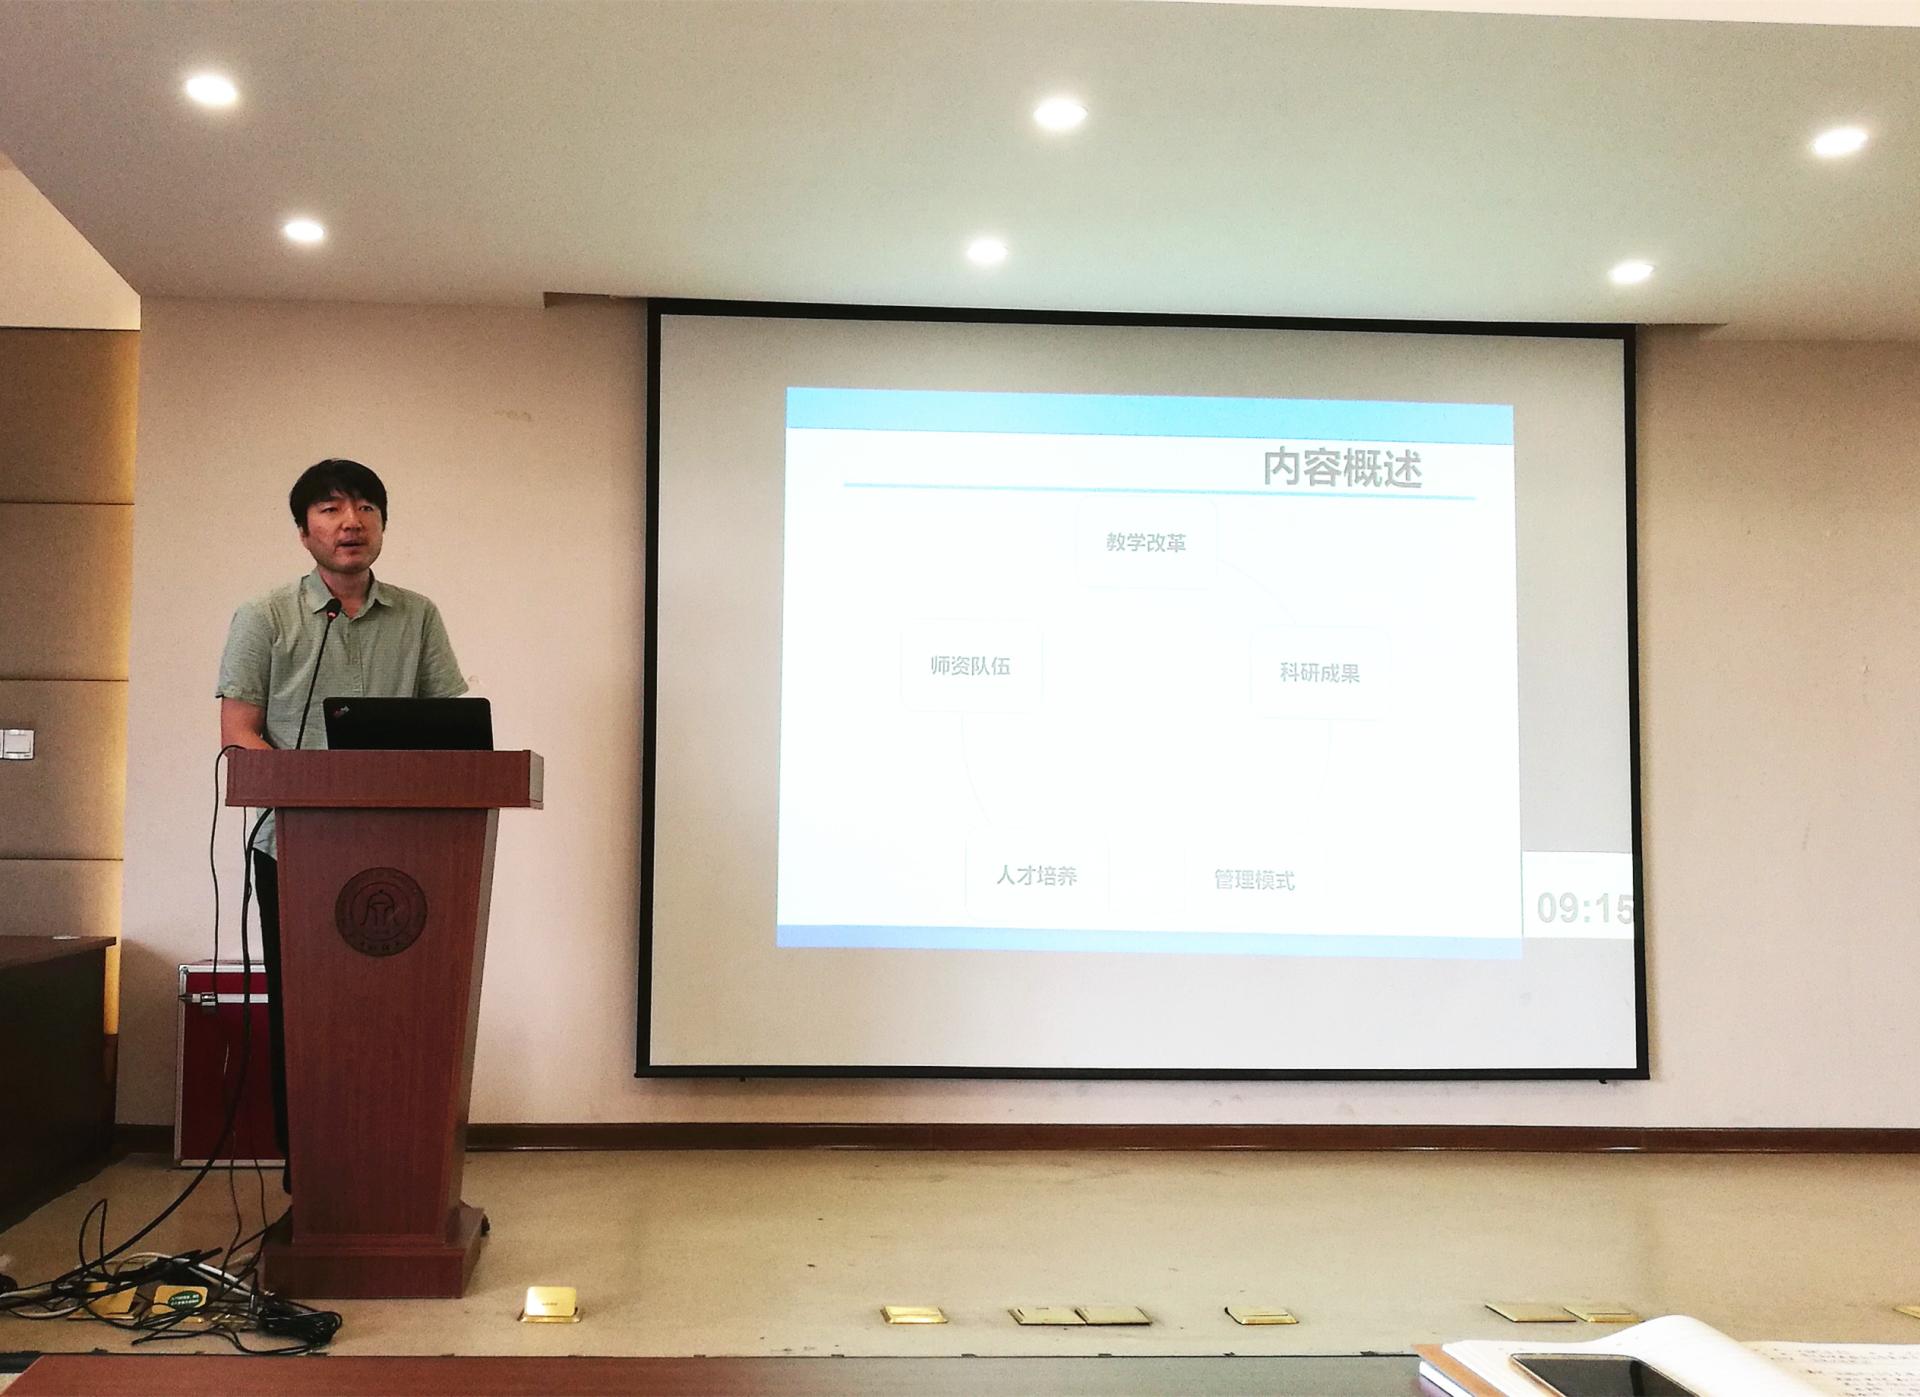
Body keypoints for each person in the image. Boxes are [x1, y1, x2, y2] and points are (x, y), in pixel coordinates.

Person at [215, 459, 467, 1185]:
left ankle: (405, 1173)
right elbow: (239, 735)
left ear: (382, 524)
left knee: (404, 1012)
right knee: (307, 1015)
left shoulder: (418, 616)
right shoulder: (264, 616)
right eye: (329, 509)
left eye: (364, 508)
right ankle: (315, 1179)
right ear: (304, 532)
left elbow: (451, 725)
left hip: (403, 851)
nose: (350, 522)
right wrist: (311, 791)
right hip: (294, 847)